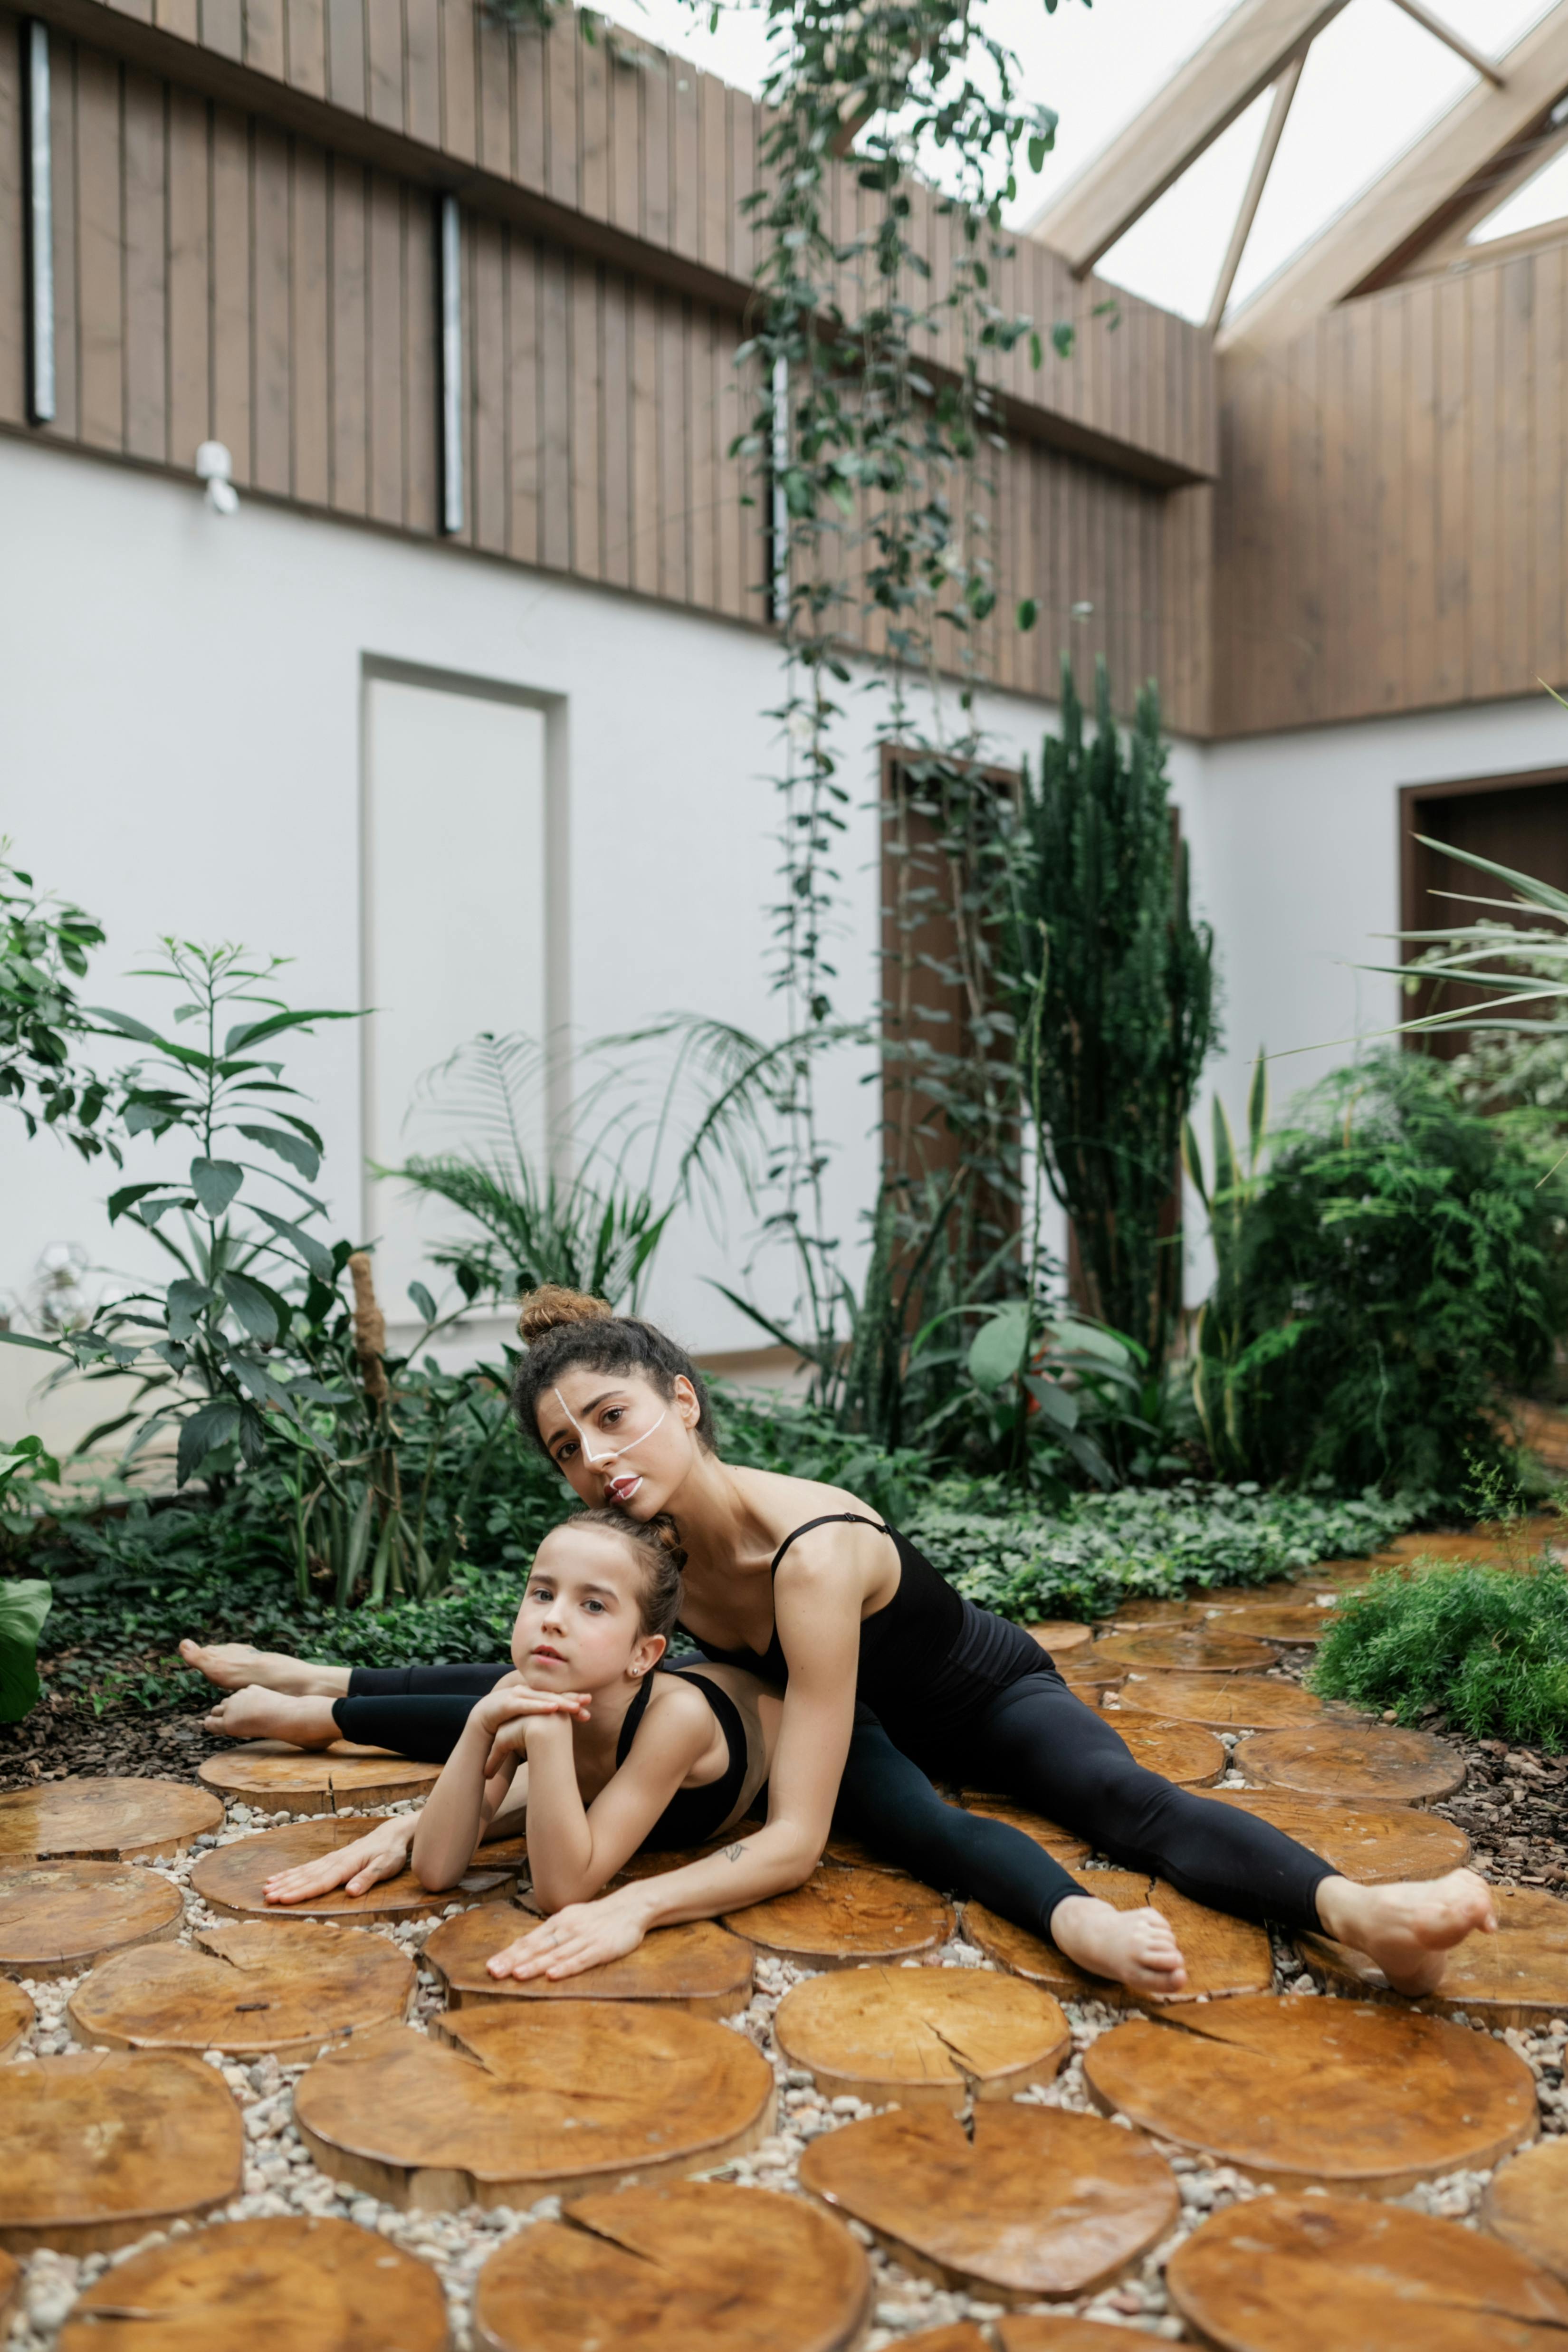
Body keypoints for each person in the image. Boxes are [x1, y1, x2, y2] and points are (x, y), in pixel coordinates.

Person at [188, 1285, 1498, 1998]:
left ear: (685, 1406)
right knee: (575, 1687)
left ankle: (1354, 1913)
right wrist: (430, 1796)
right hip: (829, 1711)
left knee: (1106, 1798)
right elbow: (553, 1683)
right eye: (566, 1448)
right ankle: (325, 1694)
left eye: (614, 1420)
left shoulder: (810, 1555)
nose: (595, 1460)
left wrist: (634, 1906)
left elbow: (795, 1845)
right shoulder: (653, 1558)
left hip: (971, 1693)